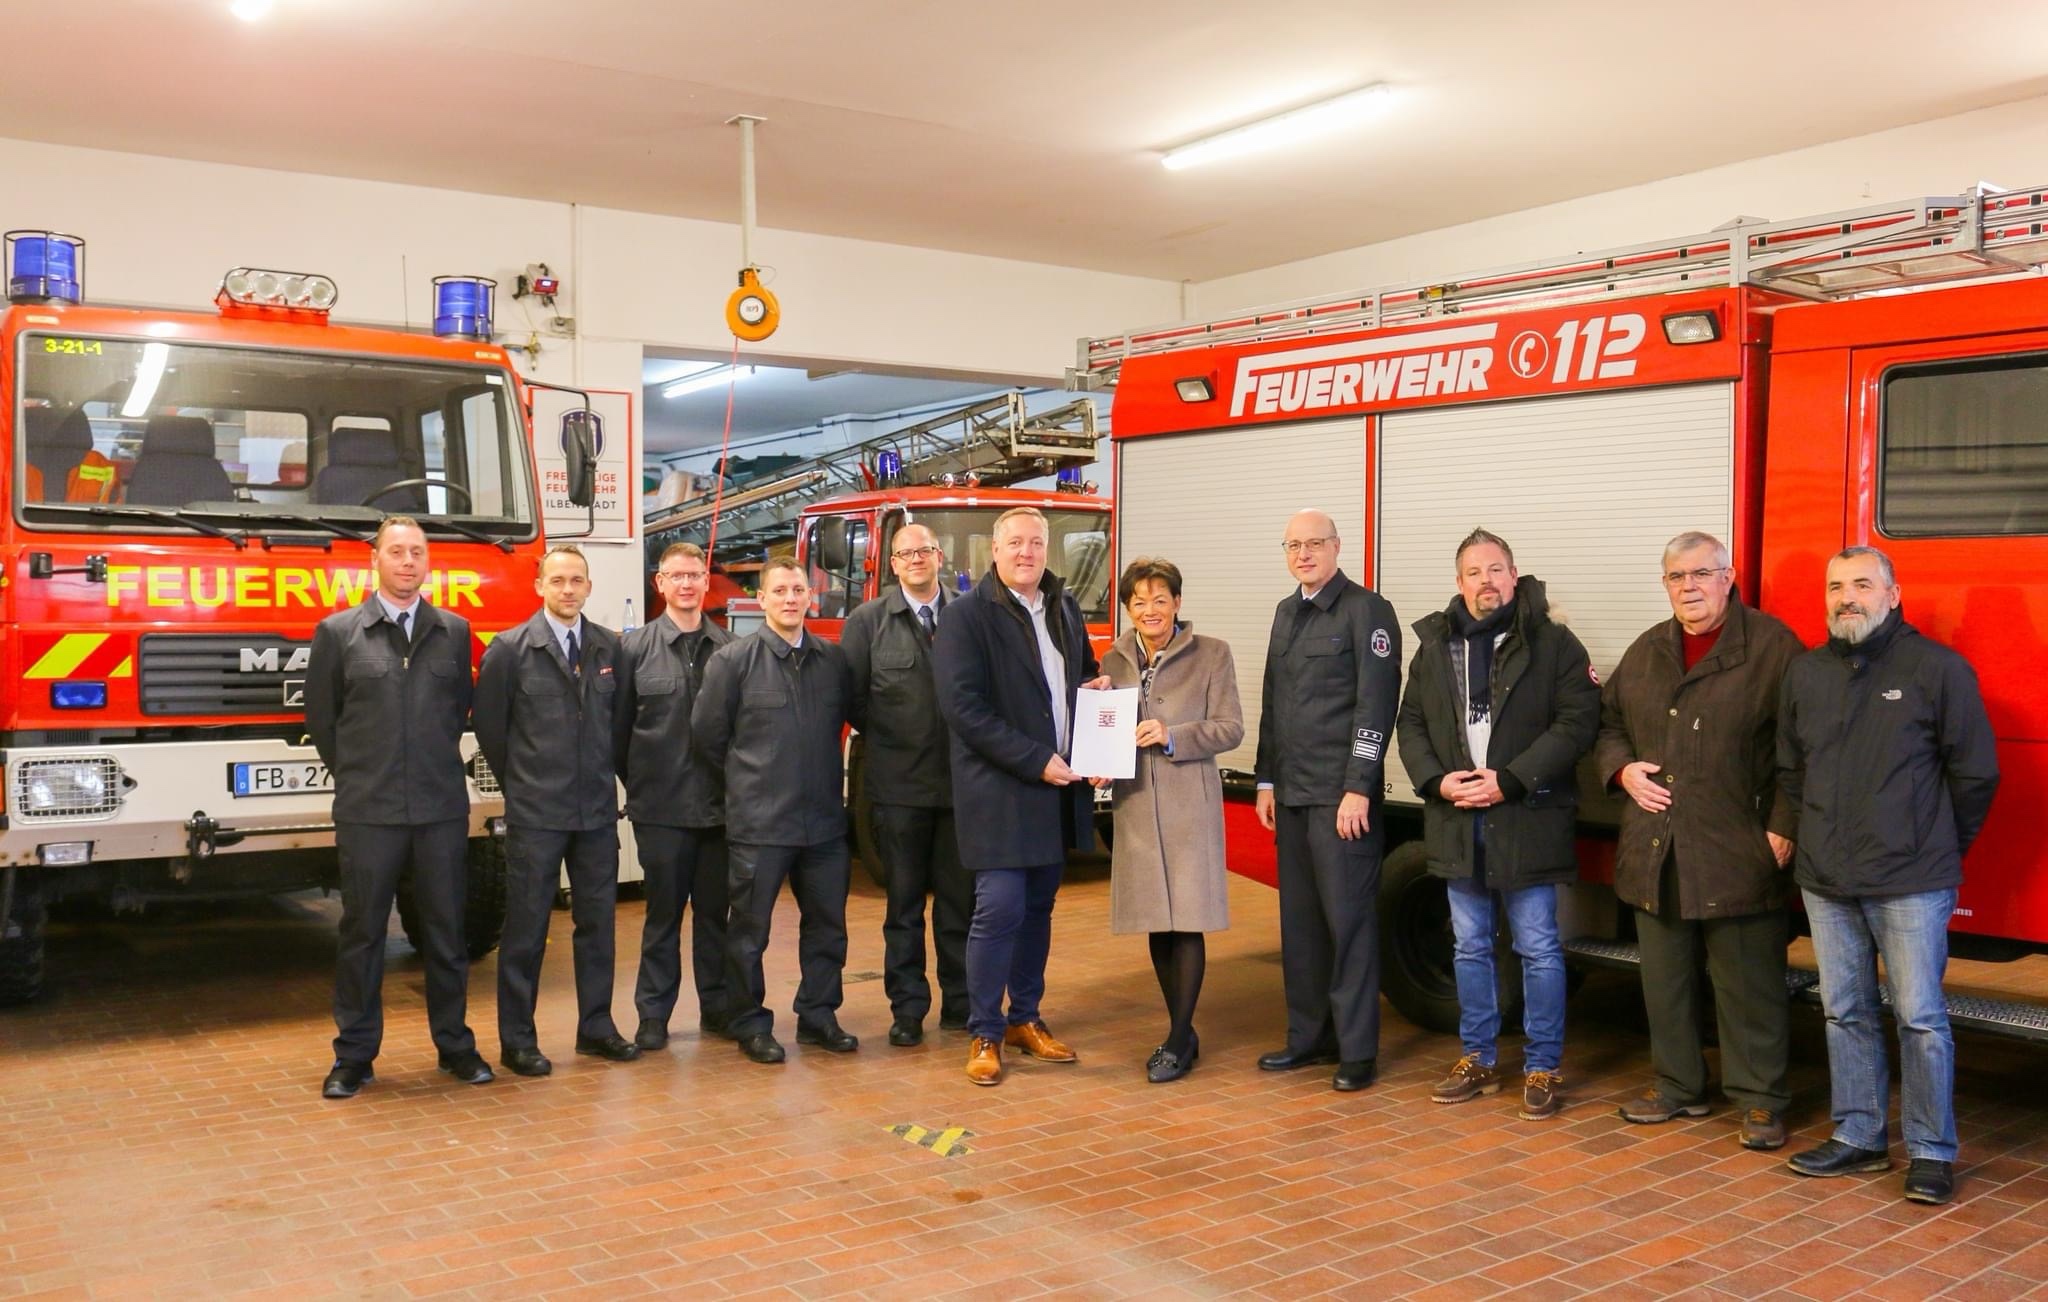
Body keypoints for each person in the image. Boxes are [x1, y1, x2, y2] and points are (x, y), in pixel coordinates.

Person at [1777, 546, 1999, 1206]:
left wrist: (1933, 845)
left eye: (1863, 584)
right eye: (1836, 586)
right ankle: (1860, 1137)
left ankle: (1931, 1151)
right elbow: (1790, 769)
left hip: (1912, 880)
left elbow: (1977, 773)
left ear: (1893, 595)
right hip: (1826, 878)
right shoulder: (1805, 674)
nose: (1848, 596)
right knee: (1845, 1010)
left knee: (1921, 1018)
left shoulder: (1937, 670)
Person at [1596, 532, 1805, 1150]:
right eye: (1676, 577)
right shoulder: (1648, 649)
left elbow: (1804, 748)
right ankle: (1679, 1084)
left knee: (1749, 981)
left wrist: (1783, 828)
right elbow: (1608, 720)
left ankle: (1762, 1098)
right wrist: (1621, 768)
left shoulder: (1773, 648)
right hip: (1657, 845)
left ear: (1728, 576)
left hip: (1740, 843)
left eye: (1700, 574)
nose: (1688, 587)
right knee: (1666, 978)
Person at [1395, 528, 1598, 1121]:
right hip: (1457, 819)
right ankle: (1478, 1059)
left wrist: (1510, 778)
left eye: (1497, 569)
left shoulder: (1554, 643)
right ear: (1458, 583)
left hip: (1526, 817)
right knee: (1471, 946)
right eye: (1475, 572)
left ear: (1515, 575)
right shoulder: (1434, 646)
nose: (1487, 581)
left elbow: (1578, 721)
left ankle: (1542, 1066)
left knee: (1537, 947)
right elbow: (1410, 724)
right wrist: (1436, 780)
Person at [306, 516, 490, 1098]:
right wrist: (362, 777)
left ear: (428, 563)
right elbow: (322, 721)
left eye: (417, 552)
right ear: (376, 561)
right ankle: (354, 1057)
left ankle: (455, 1046)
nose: (407, 561)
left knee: (445, 933)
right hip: (369, 811)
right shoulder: (338, 633)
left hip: (439, 809)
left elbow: (461, 708)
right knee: (362, 934)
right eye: (396, 552)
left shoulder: (455, 632)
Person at [933, 506, 1107, 1087]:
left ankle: (1025, 1019)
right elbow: (964, 709)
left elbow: (1080, 675)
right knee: (999, 909)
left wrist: (1097, 699)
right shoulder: (965, 617)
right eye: (1016, 543)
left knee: (1039, 910)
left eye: (1036, 543)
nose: (1027, 552)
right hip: (1002, 789)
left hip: (1057, 790)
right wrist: (1035, 760)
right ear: (994, 550)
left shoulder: (1063, 606)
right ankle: (985, 1029)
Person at [473, 543, 638, 1077]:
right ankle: (517, 1040)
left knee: (598, 927)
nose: (568, 589)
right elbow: (490, 731)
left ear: (589, 588)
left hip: (594, 816)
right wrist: (524, 784)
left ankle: (597, 1028)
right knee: (526, 930)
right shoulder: (510, 649)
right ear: (540, 586)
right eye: (558, 580)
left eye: (577, 581)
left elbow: (621, 727)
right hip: (537, 817)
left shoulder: (610, 648)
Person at [1252, 508, 1402, 1093]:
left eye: (1315, 543)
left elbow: (1376, 705)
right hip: (1291, 796)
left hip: (1340, 801)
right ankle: (1307, 1039)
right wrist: (1266, 780)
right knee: (1303, 928)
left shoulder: (1368, 611)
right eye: (1293, 545)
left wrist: (1358, 788)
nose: (1304, 554)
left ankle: (1357, 1051)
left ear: (1338, 546)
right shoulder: (1286, 612)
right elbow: (1273, 700)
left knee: (1350, 927)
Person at [690, 557, 858, 1065]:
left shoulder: (833, 662)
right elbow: (707, 738)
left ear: (811, 598)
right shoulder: (733, 662)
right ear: (760, 600)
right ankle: (749, 1022)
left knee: (828, 925)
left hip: (825, 823)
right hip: (760, 825)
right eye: (779, 590)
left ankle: (819, 1015)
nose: (790, 598)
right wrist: (748, 789)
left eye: (799, 590)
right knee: (749, 932)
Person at [1100, 557, 1243, 1083]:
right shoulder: (1111, 660)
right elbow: (1107, 727)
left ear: (1178, 604)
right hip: (1135, 804)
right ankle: (1180, 1028)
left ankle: (1180, 1036)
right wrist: (1099, 761)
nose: (1150, 609)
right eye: (1139, 601)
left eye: (1160, 599)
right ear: (1128, 609)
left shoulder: (1212, 654)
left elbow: (1230, 728)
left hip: (1189, 804)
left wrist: (1173, 734)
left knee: (1186, 920)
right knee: (1156, 921)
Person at [841, 523, 970, 1047]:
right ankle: (908, 1010)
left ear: (939, 556)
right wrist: (898, 745)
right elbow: (852, 700)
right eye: (905, 554)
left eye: (924, 550)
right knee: (904, 908)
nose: (916, 559)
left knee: (962, 907)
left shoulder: (969, 615)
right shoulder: (867, 622)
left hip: (963, 790)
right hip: (897, 792)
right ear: (892, 564)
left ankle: (961, 1005)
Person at [613, 541, 736, 1050]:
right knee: (662, 916)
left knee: (715, 917)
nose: (687, 584)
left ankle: (718, 1010)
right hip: (660, 811)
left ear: (706, 583)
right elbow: (617, 732)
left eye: (695, 575)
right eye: (676, 576)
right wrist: (642, 784)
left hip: (719, 810)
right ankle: (652, 1018)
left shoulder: (731, 650)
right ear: (659, 584)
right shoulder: (631, 650)